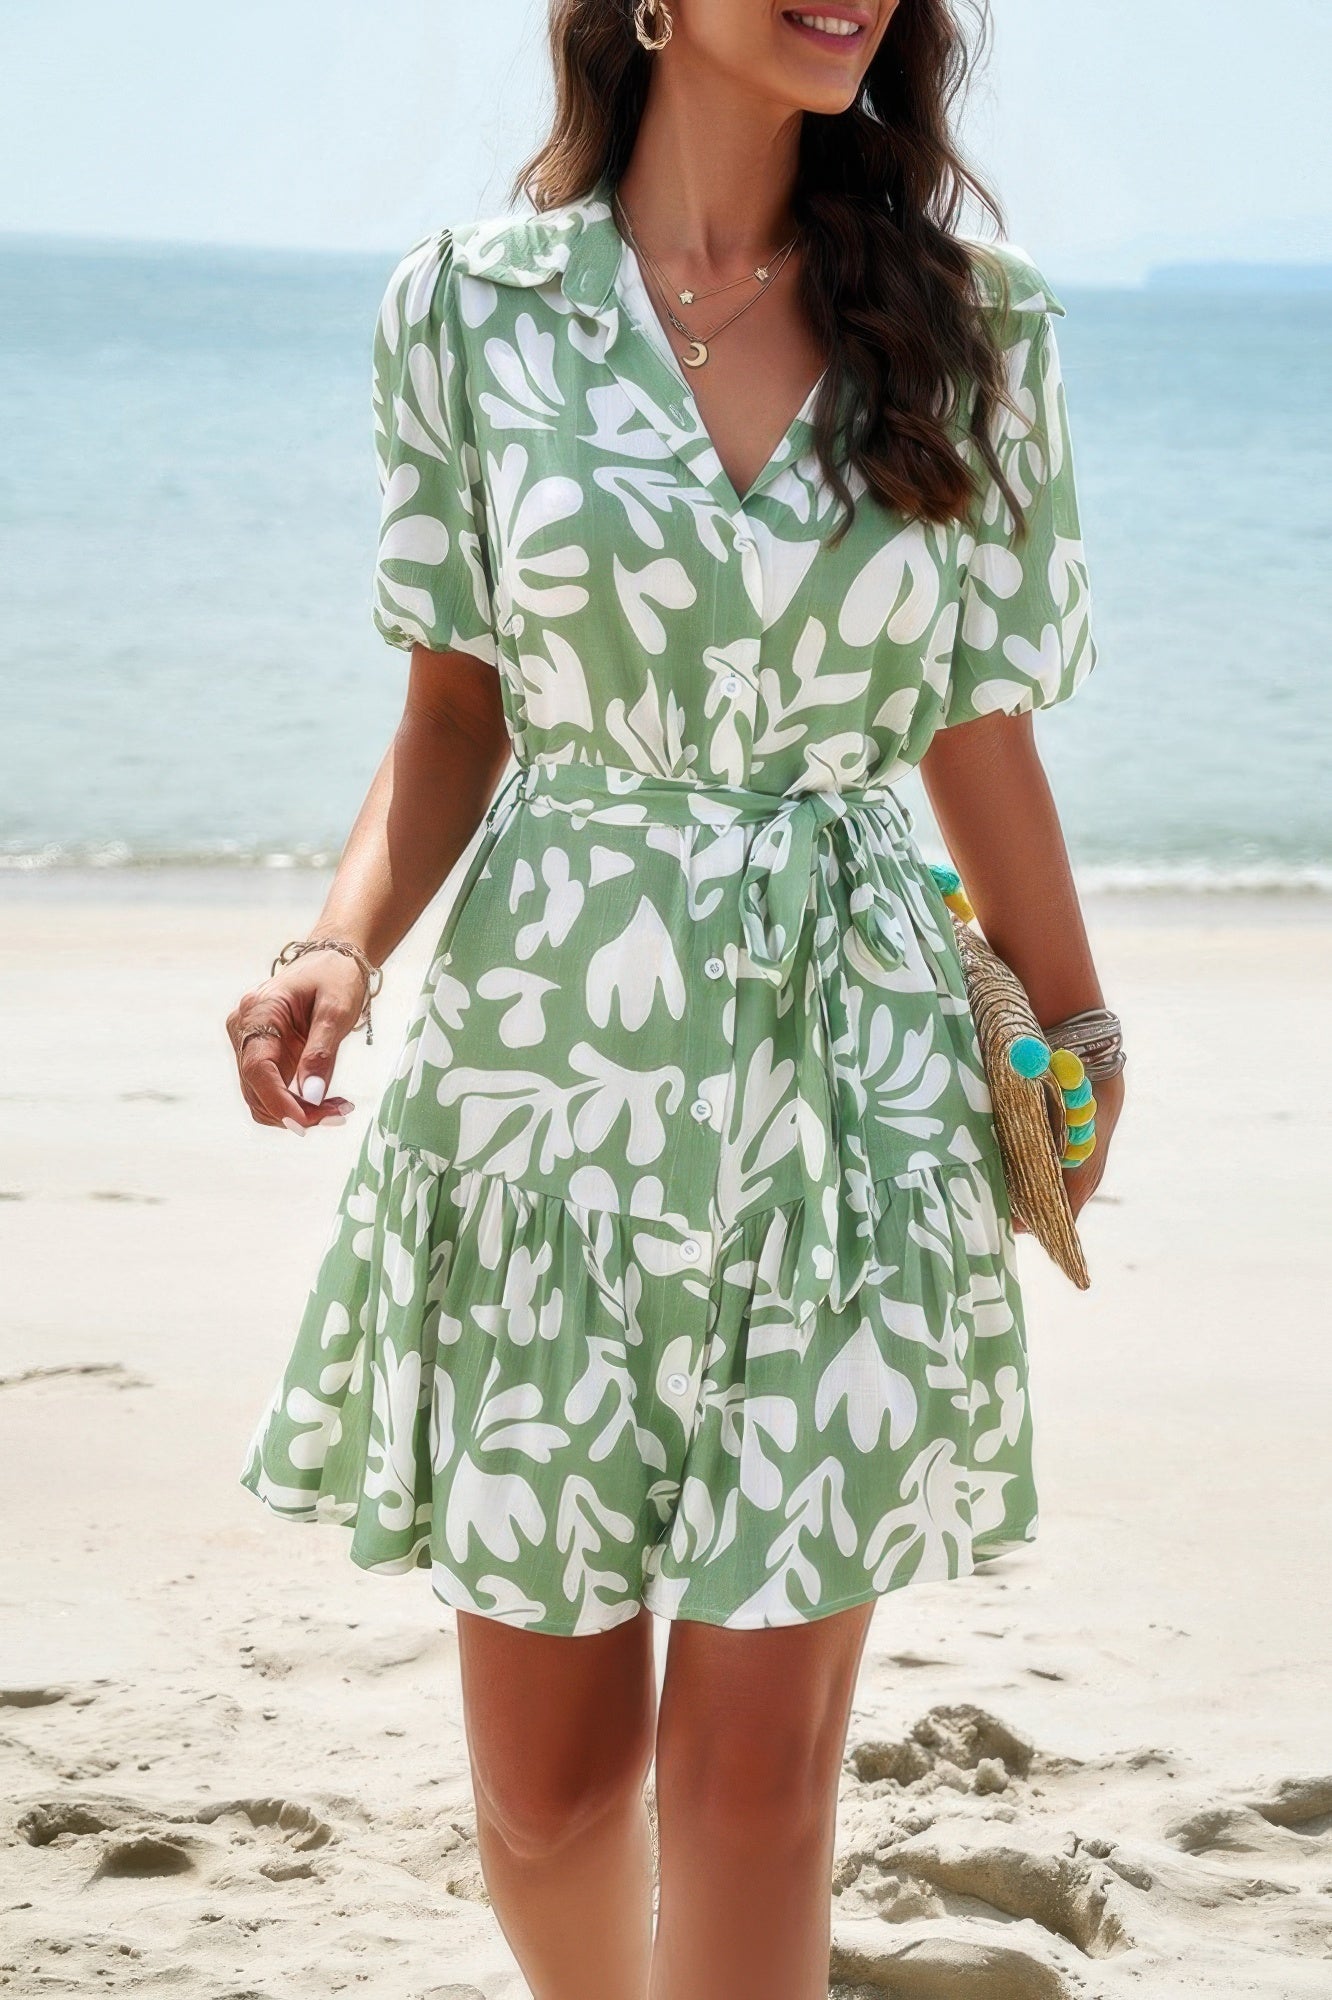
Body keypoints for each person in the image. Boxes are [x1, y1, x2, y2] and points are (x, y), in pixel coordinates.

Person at [226, 2, 1124, 1993]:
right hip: (552, 1091)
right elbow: (452, 714)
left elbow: (979, 732)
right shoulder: (467, 314)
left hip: (858, 1083)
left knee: (752, 1784)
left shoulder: (982, 326)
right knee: (548, 1798)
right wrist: (335, 943)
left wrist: (1078, 1019)